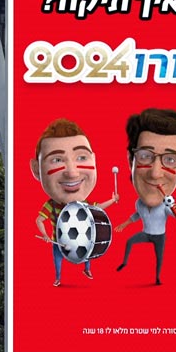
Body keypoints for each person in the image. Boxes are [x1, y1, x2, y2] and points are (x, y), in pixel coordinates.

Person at [29, 119, 118, 286]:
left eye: (82, 157)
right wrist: (45, 235)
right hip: (59, 241)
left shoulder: (83, 204)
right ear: (36, 169)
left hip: (84, 241)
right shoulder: (52, 205)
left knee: (88, 249)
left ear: (94, 161)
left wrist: (112, 200)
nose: (72, 173)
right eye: (57, 160)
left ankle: (87, 268)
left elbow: (97, 207)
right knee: (57, 257)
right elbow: (39, 220)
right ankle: (58, 277)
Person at [114, 108, 176, 285]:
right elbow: (136, 215)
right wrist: (125, 224)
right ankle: (125, 263)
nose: (155, 173)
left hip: (159, 236)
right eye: (145, 156)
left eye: (170, 159)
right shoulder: (139, 204)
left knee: (159, 258)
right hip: (145, 233)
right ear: (130, 161)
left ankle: (158, 277)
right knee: (130, 242)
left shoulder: (166, 207)